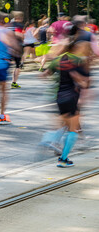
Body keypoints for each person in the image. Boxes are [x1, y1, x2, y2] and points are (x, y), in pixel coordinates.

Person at [41, 22, 90, 168]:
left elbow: (45, 74)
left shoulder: (58, 59)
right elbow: (82, 81)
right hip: (72, 96)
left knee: (63, 125)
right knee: (73, 130)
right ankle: (63, 159)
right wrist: (82, 82)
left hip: (59, 97)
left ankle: (48, 139)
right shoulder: (77, 61)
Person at [8, 11, 24, 89]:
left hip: (7, 46)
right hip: (17, 47)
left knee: (6, 63)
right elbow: (19, 34)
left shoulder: (8, 25)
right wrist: (23, 37)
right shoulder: (19, 25)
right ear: (19, 18)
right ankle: (14, 82)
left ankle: (0, 81)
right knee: (17, 65)